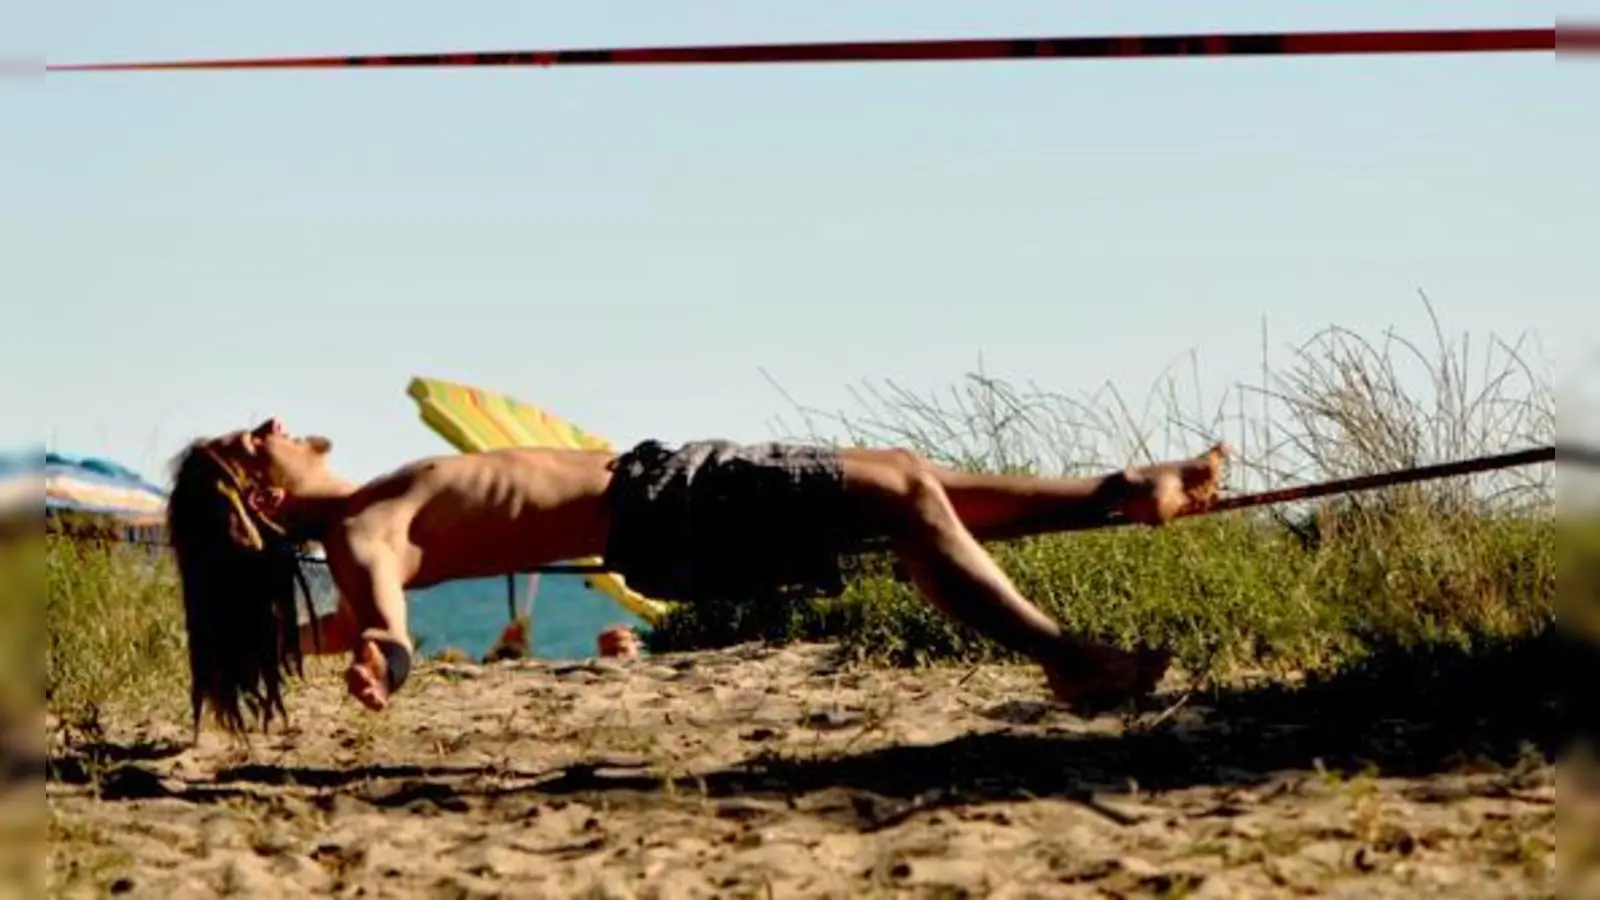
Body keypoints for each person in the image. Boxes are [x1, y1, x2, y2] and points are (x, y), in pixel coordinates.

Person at [165, 418, 1226, 733]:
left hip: (657, 509)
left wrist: (315, 644)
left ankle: (1117, 494)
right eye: (248, 442)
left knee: (916, 489)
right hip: (660, 503)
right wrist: (385, 661)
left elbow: (349, 623)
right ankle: (1068, 657)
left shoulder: (369, 517)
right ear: (258, 496)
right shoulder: (368, 527)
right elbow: (384, 623)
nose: (271, 425)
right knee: (904, 488)